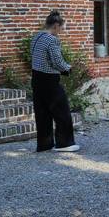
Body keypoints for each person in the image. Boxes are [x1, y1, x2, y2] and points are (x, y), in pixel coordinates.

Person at [30, 10, 78, 152]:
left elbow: (37, 57)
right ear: (56, 25)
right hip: (50, 80)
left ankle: (44, 144)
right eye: (62, 28)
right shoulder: (52, 40)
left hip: (36, 79)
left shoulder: (37, 37)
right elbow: (57, 61)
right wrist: (68, 68)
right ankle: (65, 144)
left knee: (42, 113)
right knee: (62, 112)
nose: (62, 31)